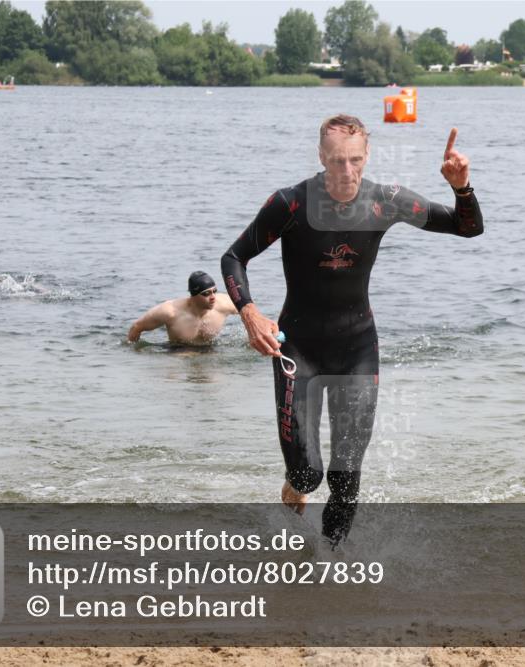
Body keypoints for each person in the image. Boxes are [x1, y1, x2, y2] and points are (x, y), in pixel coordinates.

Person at [221, 114, 483, 545]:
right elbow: (234, 257)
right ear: (321, 157)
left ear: (367, 156)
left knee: (345, 476)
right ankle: (295, 489)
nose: (347, 172)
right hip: (297, 351)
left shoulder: (387, 200)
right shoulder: (290, 204)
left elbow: (468, 228)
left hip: (357, 349)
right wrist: (249, 312)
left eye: (355, 160)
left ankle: (330, 569)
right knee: (307, 474)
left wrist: (461, 186)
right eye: (337, 161)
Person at [127, 271, 237, 346]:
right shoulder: (170, 311)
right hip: (178, 352)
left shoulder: (224, 304)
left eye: (214, 291)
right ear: (193, 296)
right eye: (206, 293)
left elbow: (248, 311)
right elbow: (136, 327)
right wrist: (134, 353)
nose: (213, 297)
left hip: (210, 351)